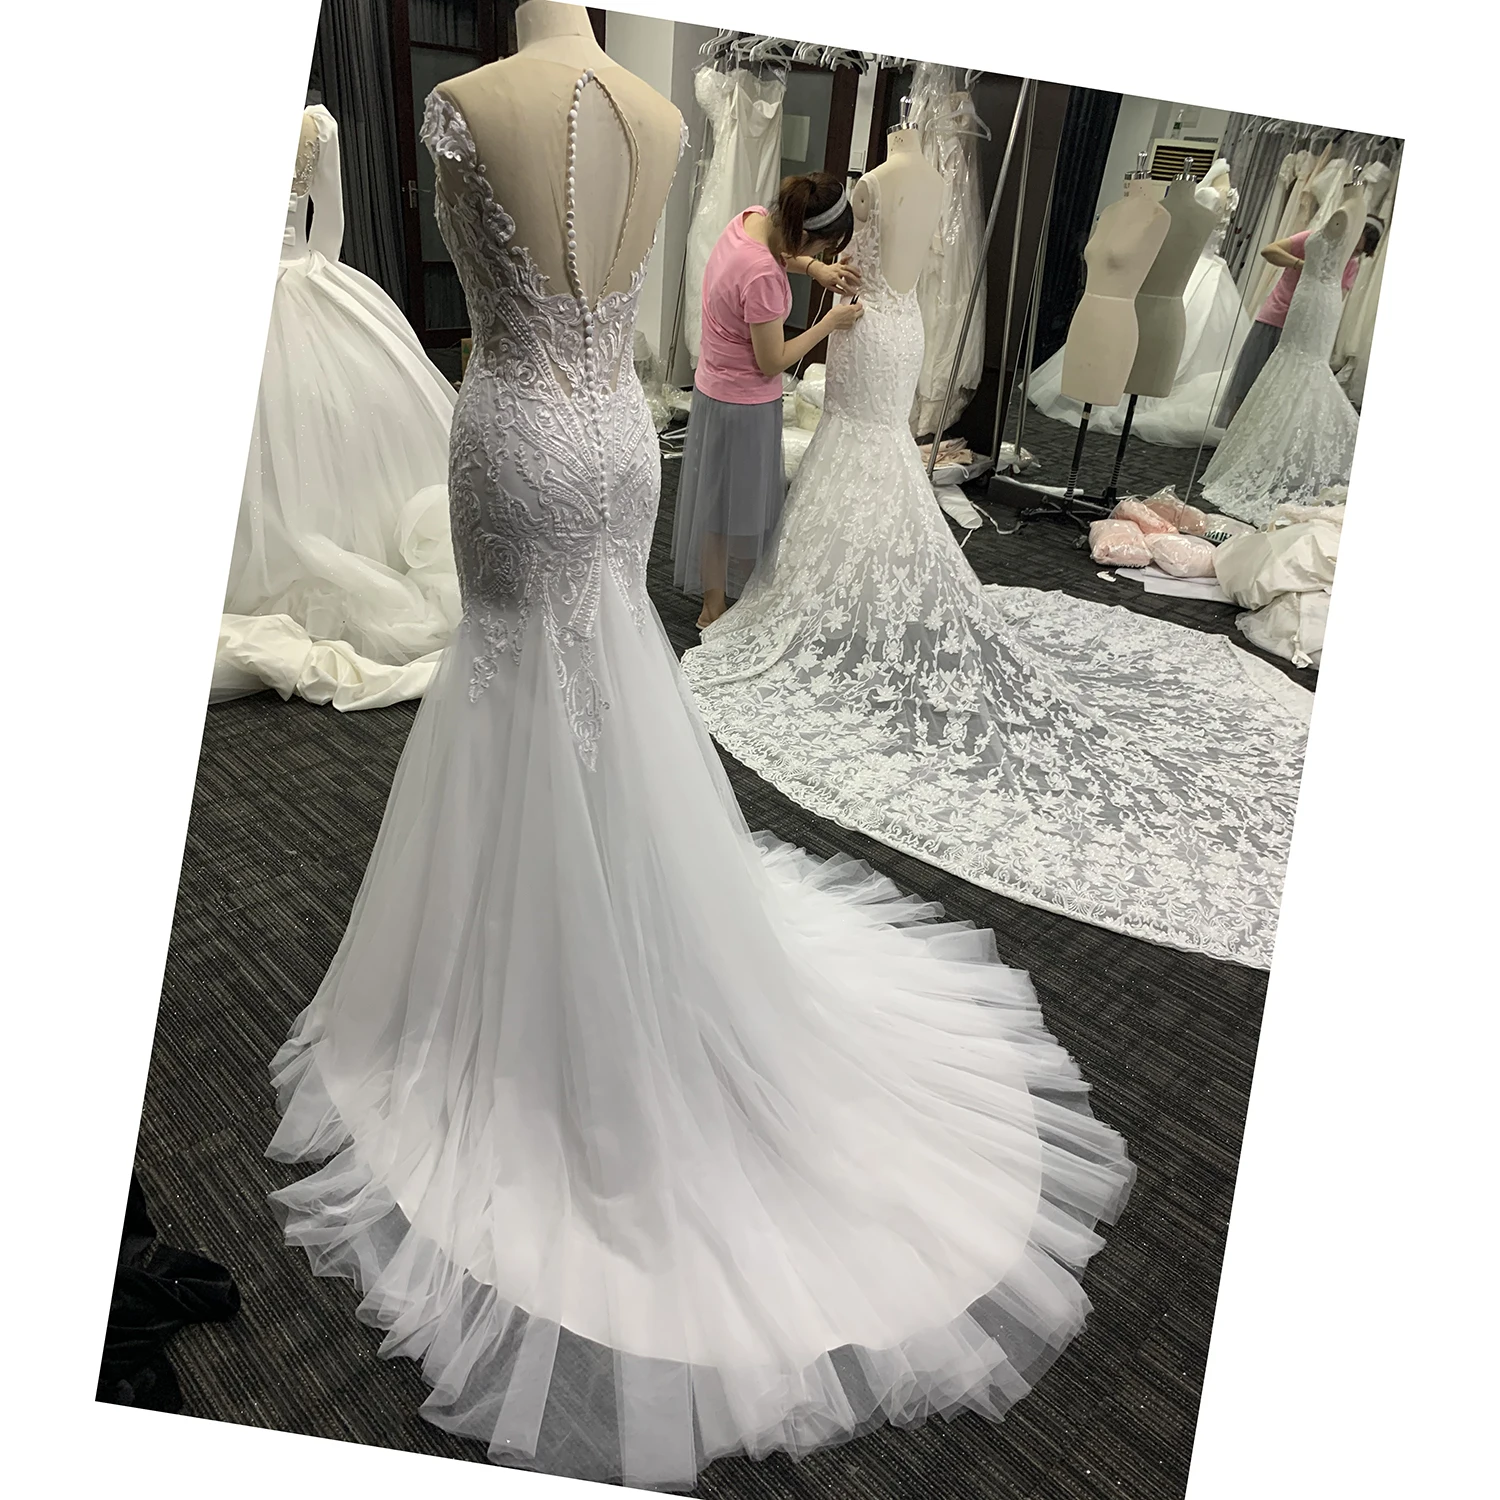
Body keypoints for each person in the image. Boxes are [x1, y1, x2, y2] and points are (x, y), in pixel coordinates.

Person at [671, 171, 865, 628]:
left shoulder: (751, 219)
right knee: (731, 508)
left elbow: (779, 254)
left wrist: (813, 269)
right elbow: (772, 360)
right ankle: (714, 608)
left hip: (713, 389)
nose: (822, 255)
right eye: (823, 247)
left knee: (715, 501)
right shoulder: (762, 275)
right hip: (743, 405)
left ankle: (715, 602)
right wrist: (828, 325)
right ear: (805, 234)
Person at [1215, 216, 1380, 426]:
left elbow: (1337, 299)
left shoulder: (1350, 265)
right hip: (1275, 317)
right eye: (1352, 247)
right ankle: (1232, 433)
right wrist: (1301, 264)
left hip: (1303, 330)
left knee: (1281, 391)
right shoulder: (1312, 241)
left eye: (1358, 252)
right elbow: (1269, 250)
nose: (1351, 254)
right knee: (1249, 381)